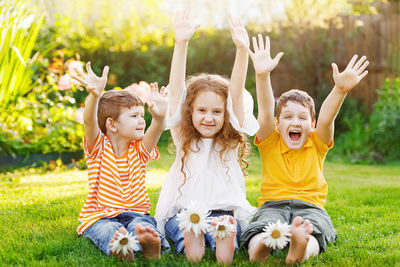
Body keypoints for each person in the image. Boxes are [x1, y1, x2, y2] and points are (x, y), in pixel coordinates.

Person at [241, 34, 369, 264]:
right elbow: (266, 110)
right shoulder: (270, 141)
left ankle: (301, 248)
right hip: (273, 205)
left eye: (303, 117)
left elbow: (327, 119)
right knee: (261, 226)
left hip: (311, 207)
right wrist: (262, 75)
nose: (296, 122)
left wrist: (340, 90)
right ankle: (258, 247)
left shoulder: (317, 142)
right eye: (288, 117)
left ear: (311, 125)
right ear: (278, 125)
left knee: (315, 231)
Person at [154, 9, 258, 265]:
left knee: (227, 228)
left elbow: (234, 96)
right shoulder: (183, 134)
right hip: (186, 213)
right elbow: (177, 91)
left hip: (223, 213)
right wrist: (181, 43)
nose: (208, 118)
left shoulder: (230, 137)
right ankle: (195, 237)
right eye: (201, 110)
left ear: (227, 114)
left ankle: (219, 241)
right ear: (190, 111)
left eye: (216, 112)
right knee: (181, 228)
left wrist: (242, 51)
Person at [72, 62, 170, 261]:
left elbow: (156, 129)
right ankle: (122, 245)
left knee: (141, 226)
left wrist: (159, 117)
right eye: (135, 116)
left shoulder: (140, 150)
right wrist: (94, 95)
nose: (142, 121)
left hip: (136, 213)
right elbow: (89, 121)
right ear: (112, 124)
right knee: (110, 229)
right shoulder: (98, 148)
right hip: (100, 216)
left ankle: (149, 246)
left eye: (142, 115)